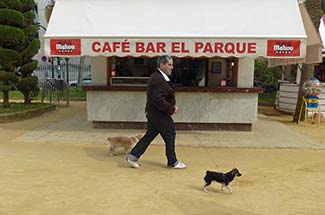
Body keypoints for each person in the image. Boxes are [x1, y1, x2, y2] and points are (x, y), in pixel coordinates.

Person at [126, 55, 186, 169]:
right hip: (159, 114)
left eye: (172, 65)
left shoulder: (159, 77)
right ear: (162, 65)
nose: (172, 67)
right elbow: (158, 100)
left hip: (155, 113)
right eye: (169, 65)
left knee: (150, 135)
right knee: (170, 135)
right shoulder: (158, 79)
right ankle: (172, 162)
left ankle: (133, 156)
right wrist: (172, 108)